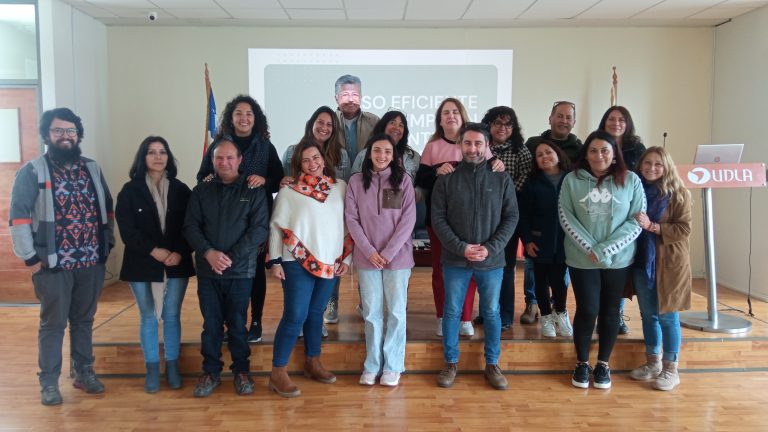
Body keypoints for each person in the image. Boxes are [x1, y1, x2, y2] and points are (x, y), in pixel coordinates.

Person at [10, 107, 114, 406]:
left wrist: (106, 245)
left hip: (90, 262)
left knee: (84, 320)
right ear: (47, 135)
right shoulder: (32, 171)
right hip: (53, 265)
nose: (65, 136)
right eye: (58, 131)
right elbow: (18, 217)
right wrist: (30, 257)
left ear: (78, 135)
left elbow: (106, 209)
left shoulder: (92, 168)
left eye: (70, 131)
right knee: (53, 325)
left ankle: (83, 372)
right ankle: (49, 383)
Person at [431, 123, 518, 390]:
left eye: (478, 143)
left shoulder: (501, 178)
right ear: (460, 145)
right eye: (467, 143)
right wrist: (461, 247)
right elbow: (438, 218)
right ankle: (450, 363)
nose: (472, 148)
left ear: (487, 146)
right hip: (456, 260)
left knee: (491, 313)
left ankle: (492, 364)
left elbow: (511, 217)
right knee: (452, 311)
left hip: (491, 262)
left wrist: (490, 248)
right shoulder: (446, 178)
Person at [559, 130, 645, 390]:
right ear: (586, 153)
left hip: (618, 260)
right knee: (587, 309)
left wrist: (606, 249)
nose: (599, 156)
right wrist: (590, 248)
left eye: (605, 150)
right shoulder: (571, 180)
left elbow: (637, 219)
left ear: (614, 154)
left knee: (610, 311)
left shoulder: (631, 180)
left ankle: (603, 364)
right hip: (582, 258)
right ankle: (582, 362)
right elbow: (566, 216)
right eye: (593, 150)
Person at [184, 140, 269, 398]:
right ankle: (210, 372)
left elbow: (259, 230)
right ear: (212, 161)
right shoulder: (201, 191)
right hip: (209, 271)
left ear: (239, 160)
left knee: (237, 323)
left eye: (230, 158)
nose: (225, 163)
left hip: (240, 271)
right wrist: (209, 253)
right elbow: (190, 227)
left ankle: (241, 371)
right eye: (219, 158)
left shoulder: (253, 190)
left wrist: (230, 257)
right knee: (211, 325)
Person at [268, 141, 352, 398]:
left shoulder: (340, 187)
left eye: (315, 158)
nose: (312, 163)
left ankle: (312, 362)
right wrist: (274, 261)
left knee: (316, 313)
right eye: (306, 160)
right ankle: (278, 371)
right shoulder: (289, 190)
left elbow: (347, 225)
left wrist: (346, 260)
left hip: (329, 260)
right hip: (296, 260)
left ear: (323, 159)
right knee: (295, 314)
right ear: (298, 164)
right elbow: (276, 226)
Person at [197, 95, 283, 343]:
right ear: (230, 117)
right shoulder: (218, 144)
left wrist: (265, 181)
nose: (244, 118)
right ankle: (229, 323)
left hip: (255, 219)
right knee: (224, 269)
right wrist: (212, 179)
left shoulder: (265, 146)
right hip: (221, 220)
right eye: (238, 113)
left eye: (249, 113)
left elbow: (279, 179)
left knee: (254, 271)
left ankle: (255, 321)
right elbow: (202, 175)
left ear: (256, 118)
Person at [415, 98, 504, 337]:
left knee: (472, 268)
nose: (451, 116)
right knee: (440, 270)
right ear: (439, 119)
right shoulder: (433, 147)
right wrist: (436, 171)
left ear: (463, 116)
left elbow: (493, 168)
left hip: (474, 222)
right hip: (441, 222)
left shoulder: (477, 143)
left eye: (455, 111)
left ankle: (465, 317)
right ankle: (443, 316)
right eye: (446, 112)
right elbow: (421, 180)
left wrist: (498, 164)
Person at [116, 136, 195, 393]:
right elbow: (127, 230)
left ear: (169, 157)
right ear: (143, 157)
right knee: (148, 316)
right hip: (142, 264)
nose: (158, 157)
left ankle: (172, 366)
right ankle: (151, 368)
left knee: (171, 315)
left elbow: (192, 227)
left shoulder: (182, 190)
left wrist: (180, 253)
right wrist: (154, 251)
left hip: (176, 262)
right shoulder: (130, 191)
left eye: (163, 152)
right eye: (152, 152)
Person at [345, 134, 416, 387]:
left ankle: (393, 365)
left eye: (387, 151)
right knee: (372, 314)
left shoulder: (404, 181)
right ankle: (372, 364)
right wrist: (369, 251)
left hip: (397, 258)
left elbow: (408, 220)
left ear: (394, 156)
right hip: (367, 258)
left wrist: (386, 253)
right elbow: (352, 219)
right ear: (369, 154)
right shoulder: (355, 182)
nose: (382, 156)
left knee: (396, 312)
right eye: (377, 150)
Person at [628, 147, 692, 391]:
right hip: (642, 261)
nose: (651, 168)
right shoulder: (636, 190)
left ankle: (670, 368)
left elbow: (684, 229)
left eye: (658, 164)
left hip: (669, 264)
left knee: (668, 315)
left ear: (667, 167)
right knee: (648, 314)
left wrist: (653, 227)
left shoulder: (678, 193)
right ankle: (652, 362)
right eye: (647, 163)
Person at [282, 106, 350, 331]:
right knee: (299, 291)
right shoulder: (292, 150)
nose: (324, 127)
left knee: (330, 269)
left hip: (330, 226)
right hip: (303, 225)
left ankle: (322, 313)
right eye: (320, 122)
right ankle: (302, 320)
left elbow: (344, 189)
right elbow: (287, 182)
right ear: (311, 123)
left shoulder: (341, 154)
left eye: (330, 124)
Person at [521, 101, 583, 325]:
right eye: (559, 115)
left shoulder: (580, 149)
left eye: (568, 117)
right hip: (539, 225)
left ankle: (560, 308)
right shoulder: (532, 143)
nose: (563, 120)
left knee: (560, 275)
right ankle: (534, 303)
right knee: (534, 269)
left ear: (573, 122)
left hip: (564, 233)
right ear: (550, 118)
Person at [476, 106, 532, 330]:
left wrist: (502, 199)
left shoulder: (520, 150)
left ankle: (505, 316)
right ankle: (486, 312)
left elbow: (524, 181)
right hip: (482, 218)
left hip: (507, 218)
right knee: (483, 267)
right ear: (488, 124)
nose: (502, 128)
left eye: (508, 124)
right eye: (498, 123)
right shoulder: (479, 146)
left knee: (505, 268)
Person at [598, 105, 647, 335]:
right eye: (611, 119)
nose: (616, 123)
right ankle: (600, 314)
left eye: (621, 119)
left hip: (629, 211)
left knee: (620, 268)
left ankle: (615, 314)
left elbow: (643, 178)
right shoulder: (597, 142)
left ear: (627, 123)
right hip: (600, 210)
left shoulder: (636, 148)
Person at [519, 141, 571, 338]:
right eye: (539, 155)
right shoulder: (532, 182)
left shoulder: (571, 178)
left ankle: (561, 313)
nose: (544, 157)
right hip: (539, 242)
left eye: (548, 152)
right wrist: (528, 240)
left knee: (559, 281)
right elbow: (524, 215)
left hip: (565, 243)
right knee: (540, 280)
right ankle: (547, 317)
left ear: (558, 154)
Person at [351, 110, 421, 182]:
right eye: (392, 123)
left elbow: (420, 186)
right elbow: (354, 184)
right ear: (383, 126)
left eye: (401, 125)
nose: (396, 128)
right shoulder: (363, 155)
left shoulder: (414, 157)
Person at [334, 74, 380, 164]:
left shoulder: (374, 122)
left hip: (365, 176)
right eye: (345, 95)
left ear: (361, 97)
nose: (351, 99)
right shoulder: (328, 122)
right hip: (333, 177)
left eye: (355, 95)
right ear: (336, 99)